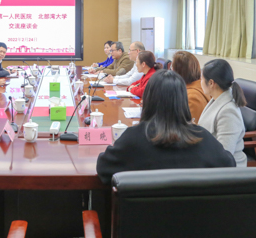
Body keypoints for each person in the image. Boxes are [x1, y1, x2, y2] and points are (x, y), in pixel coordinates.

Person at [96, 70, 236, 184]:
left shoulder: (133, 138)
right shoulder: (202, 138)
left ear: (148, 99)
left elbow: (103, 168)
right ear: (182, 101)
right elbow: (229, 165)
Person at [198, 59, 247, 167]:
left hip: (228, 171)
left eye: (201, 78)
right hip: (211, 160)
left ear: (211, 83)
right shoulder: (216, 99)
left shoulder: (228, 112)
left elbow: (223, 156)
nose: (200, 82)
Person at [171, 51, 209, 122]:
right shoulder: (199, 86)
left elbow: (189, 126)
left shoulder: (192, 97)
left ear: (178, 71)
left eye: (172, 68)